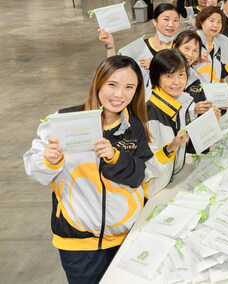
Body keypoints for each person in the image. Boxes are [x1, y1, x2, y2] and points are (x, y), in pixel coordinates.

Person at [24, 56, 153, 283]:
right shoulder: (64, 120)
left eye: (129, 87)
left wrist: (115, 157)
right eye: (112, 84)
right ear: (98, 82)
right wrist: (49, 161)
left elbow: (138, 176)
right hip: (78, 244)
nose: (119, 94)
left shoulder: (134, 127)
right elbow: (33, 168)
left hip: (125, 238)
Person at [144, 49, 200, 197]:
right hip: (152, 192)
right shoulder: (149, 115)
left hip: (172, 182)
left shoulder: (180, 103)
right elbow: (145, 168)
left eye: (181, 74)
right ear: (156, 78)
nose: (177, 82)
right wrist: (170, 148)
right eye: (169, 76)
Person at [194, 6, 228, 83]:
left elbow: (218, 73)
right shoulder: (191, 41)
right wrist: (194, 60)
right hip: (195, 93)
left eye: (219, 22)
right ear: (201, 22)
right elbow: (177, 66)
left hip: (211, 92)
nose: (215, 25)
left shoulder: (216, 44)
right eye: (212, 21)